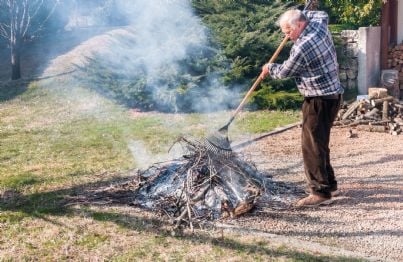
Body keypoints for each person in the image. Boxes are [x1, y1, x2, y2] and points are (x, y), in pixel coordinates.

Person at [260, 9, 343, 207]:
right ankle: (329, 184)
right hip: (334, 95)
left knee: (311, 146)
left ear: (299, 25)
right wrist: (302, 10)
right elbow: (317, 13)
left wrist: (269, 68)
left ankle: (320, 193)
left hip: (318, 101)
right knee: (319, 142)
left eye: (288, 31)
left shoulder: (303, 47)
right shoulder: (319, 24)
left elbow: (284, 71)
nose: (286, 36)